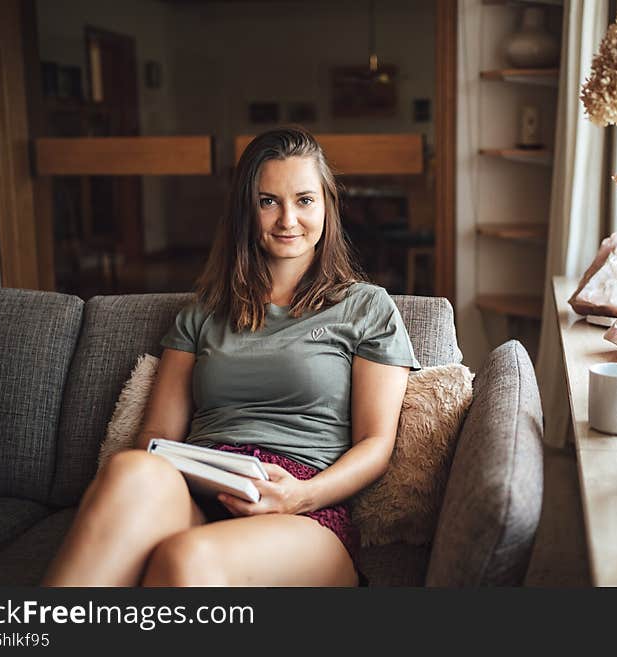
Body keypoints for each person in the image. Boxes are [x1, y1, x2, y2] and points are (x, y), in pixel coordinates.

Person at [42, 127, 421, 587]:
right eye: (268, 201)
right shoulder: (203, 311)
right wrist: (203, 473)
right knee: (131, 468)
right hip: (204, 487)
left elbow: (375, 444)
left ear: (327, 206)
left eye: (304, 200)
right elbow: (157, 434)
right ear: (246, 209)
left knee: (185, 560)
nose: (288, 219)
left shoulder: (366, 306)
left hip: (303, 510)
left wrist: (299, 496)